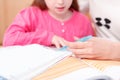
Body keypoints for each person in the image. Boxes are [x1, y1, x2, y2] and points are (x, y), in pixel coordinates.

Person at [3, 0, 94, 48]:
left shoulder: (83, 21)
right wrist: (47, 38)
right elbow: (9, 39)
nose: (60, 2)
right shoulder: (30, 14)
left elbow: (91, 49)